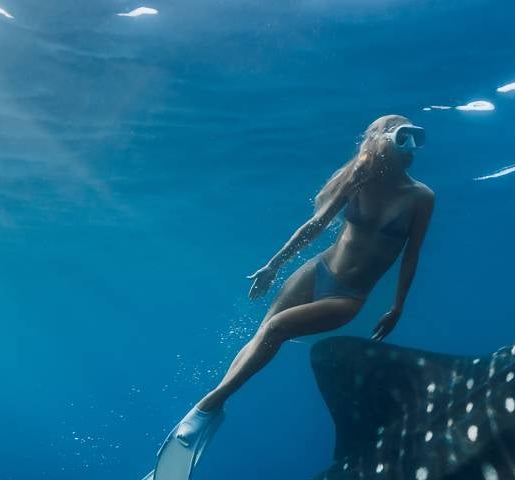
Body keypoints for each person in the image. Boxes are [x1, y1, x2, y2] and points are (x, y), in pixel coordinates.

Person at [150, 115, 434, 475]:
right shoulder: (359, 179)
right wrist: (273, 266)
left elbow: (413, 253)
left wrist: (398, 307)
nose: (411, 145)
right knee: (262, 333)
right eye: (403, 136)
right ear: (381, 140)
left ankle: (205, 408)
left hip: (349, 296)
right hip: (319, 269)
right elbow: (315, 226)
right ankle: (212, 411)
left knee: (274, 331)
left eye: (416, 137)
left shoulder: (421, 197)